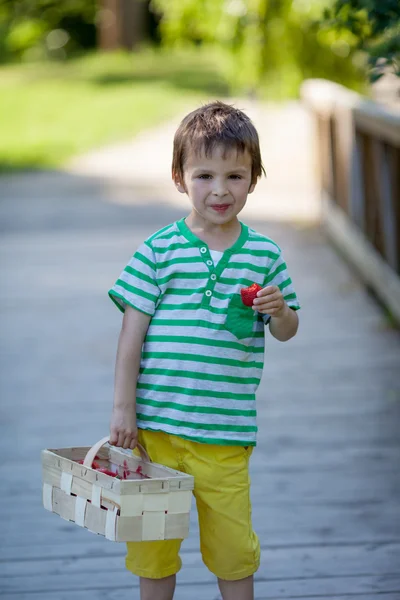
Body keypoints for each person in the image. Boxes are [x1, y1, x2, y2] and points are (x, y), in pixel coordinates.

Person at [108, 101, 300, 600]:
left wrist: (280, 311)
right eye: (204, 175)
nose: (220, 190)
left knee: (233, 549)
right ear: (179, 178)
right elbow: (132, 335)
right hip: (156, 431)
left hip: (225, 432)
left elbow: (286, 331)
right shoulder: (157, 250)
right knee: (154, 549)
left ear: (254, 179)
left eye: (235, 176)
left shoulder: (264, 255)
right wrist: (123, 409)